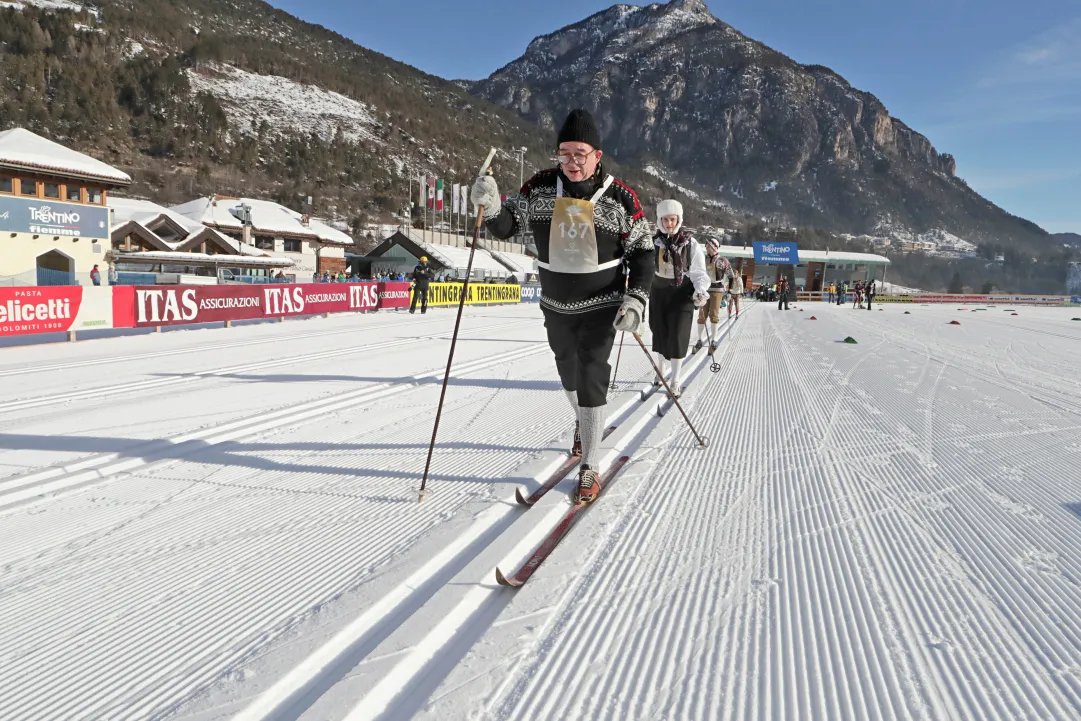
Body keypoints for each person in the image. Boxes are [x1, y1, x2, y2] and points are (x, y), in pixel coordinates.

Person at [471, 107, 654, 504]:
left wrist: (636, 298)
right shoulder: (539, 188)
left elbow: (642, 252)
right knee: (568, 373)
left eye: (580, 154)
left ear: (597, 155)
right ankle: (584, 421)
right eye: (564, 154)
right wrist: (490, 206)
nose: (571, 162)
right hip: (555, 304)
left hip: (603, 302)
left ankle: (590, 462)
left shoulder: (622, 198)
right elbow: (507, 227)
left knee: (591, 372)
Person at [650, 199, 710, 397]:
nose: (669, 224)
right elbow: (644, 269)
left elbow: (699, 273)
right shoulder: (653, 243)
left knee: (677, 335)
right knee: (659, 332)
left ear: (679, 219)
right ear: (659, 220)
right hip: (659, 291)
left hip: (682, 292)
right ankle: (661, 369)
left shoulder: (690, 244)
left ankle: (675, 379)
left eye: (673, 219)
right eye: (665, 220)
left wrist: (700, 291)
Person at [693, 237, 734, 353]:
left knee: (713, 315)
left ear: (714, 247)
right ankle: (699, 340)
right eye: (706, 246)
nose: (706, 247)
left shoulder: (722, 260)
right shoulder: (703, 260)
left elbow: (730, 275)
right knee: (702, 315)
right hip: (704, 289)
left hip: (717, 289)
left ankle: (714, 339)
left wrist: (729, 289)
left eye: (709, 246)